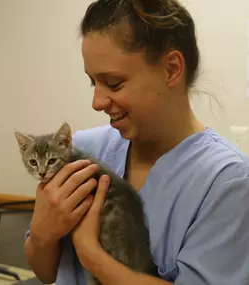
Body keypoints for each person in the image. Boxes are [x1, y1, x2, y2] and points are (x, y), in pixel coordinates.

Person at [24, 0, 249, 284]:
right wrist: (43, 235)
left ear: (171, 69)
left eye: (114, 83)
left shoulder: (227, 181)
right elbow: (46, 272)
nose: (97, 102)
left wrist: (90, 252)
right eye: (94, 83)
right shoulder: (83, 152)